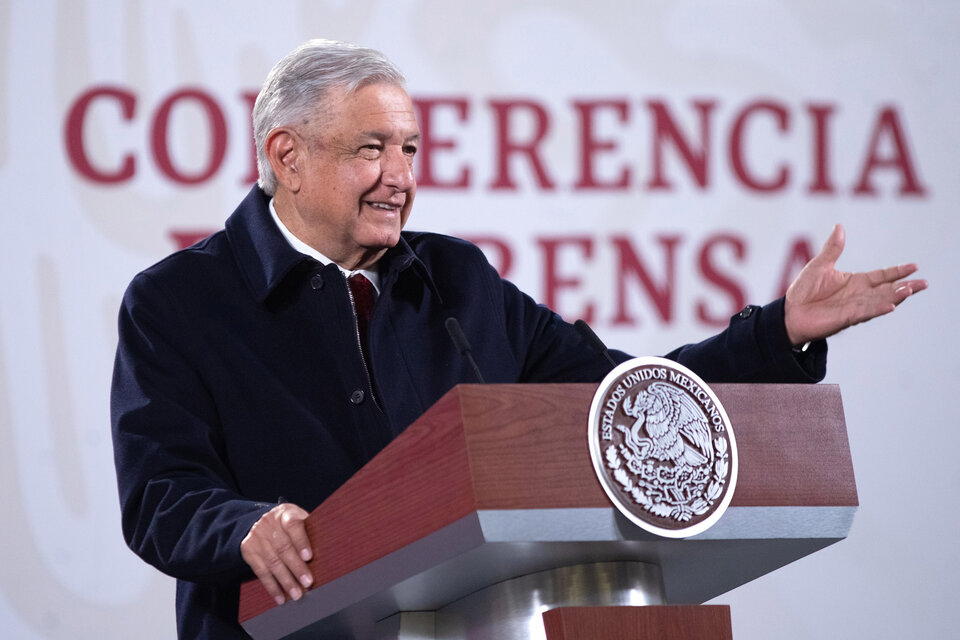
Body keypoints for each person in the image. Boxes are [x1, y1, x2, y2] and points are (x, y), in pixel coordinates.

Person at [110, 39, 926, 639]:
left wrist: (774, 335)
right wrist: (246, 526)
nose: (401, 175)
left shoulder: (456, 281)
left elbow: (621, 403)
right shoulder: (180, 302)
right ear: (287, 156)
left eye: (410, 148)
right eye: (372, 148)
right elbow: (160, 496)